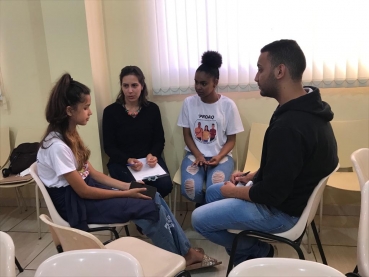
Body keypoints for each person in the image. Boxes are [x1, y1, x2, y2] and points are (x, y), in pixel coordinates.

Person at [36, 73, 221, 271]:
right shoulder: (57, 146)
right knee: (147, 207)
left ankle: (185, 252)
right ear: (69, 111)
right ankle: (180, 258)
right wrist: (126, 193)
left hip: (85, 192)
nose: (90, 112)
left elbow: (92, 173)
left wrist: (129, 186)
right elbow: (84, 191)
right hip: (76, 203)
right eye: (86, 107)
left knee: (151, 194)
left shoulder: (69, 135)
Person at [192, 40, 338, 265]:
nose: (256, 77)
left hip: (283, 213)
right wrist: (252, 177)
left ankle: (257, 250)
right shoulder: (307, 107)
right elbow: (288, 165)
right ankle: (246, 252)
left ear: (280, 71)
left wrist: (234, 192)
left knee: (198, 219)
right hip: (288, 197)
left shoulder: (290, 126)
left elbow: (271, 194)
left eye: (261, 69)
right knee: (212, 192)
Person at [177, 51, 244, 205]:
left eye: (203, 83)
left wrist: (219, 156)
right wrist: (199, 156)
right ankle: (205, 207)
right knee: (190, 189)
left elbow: (231, 140)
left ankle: (206, 214)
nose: (198, 87)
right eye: (196, 82)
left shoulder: (228, 105)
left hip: (221, 156)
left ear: (215, 82)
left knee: (216, 187)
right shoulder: (189, 103)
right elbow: (187, 135)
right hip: (194, 155)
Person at [102, 66, 172, 198]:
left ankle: (149, 214)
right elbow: (109, 147)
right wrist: (128, 160)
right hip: (122, 163)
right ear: (121, 87)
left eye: (134, 85)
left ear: (142, 86)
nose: (130, 91)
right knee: (137, 188)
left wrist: (153, 155)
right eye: (125, 86)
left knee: (165, 185)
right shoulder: (110, 112)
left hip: (147, 162)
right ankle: (145, 215)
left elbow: (159, 140)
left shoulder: (152, 109)